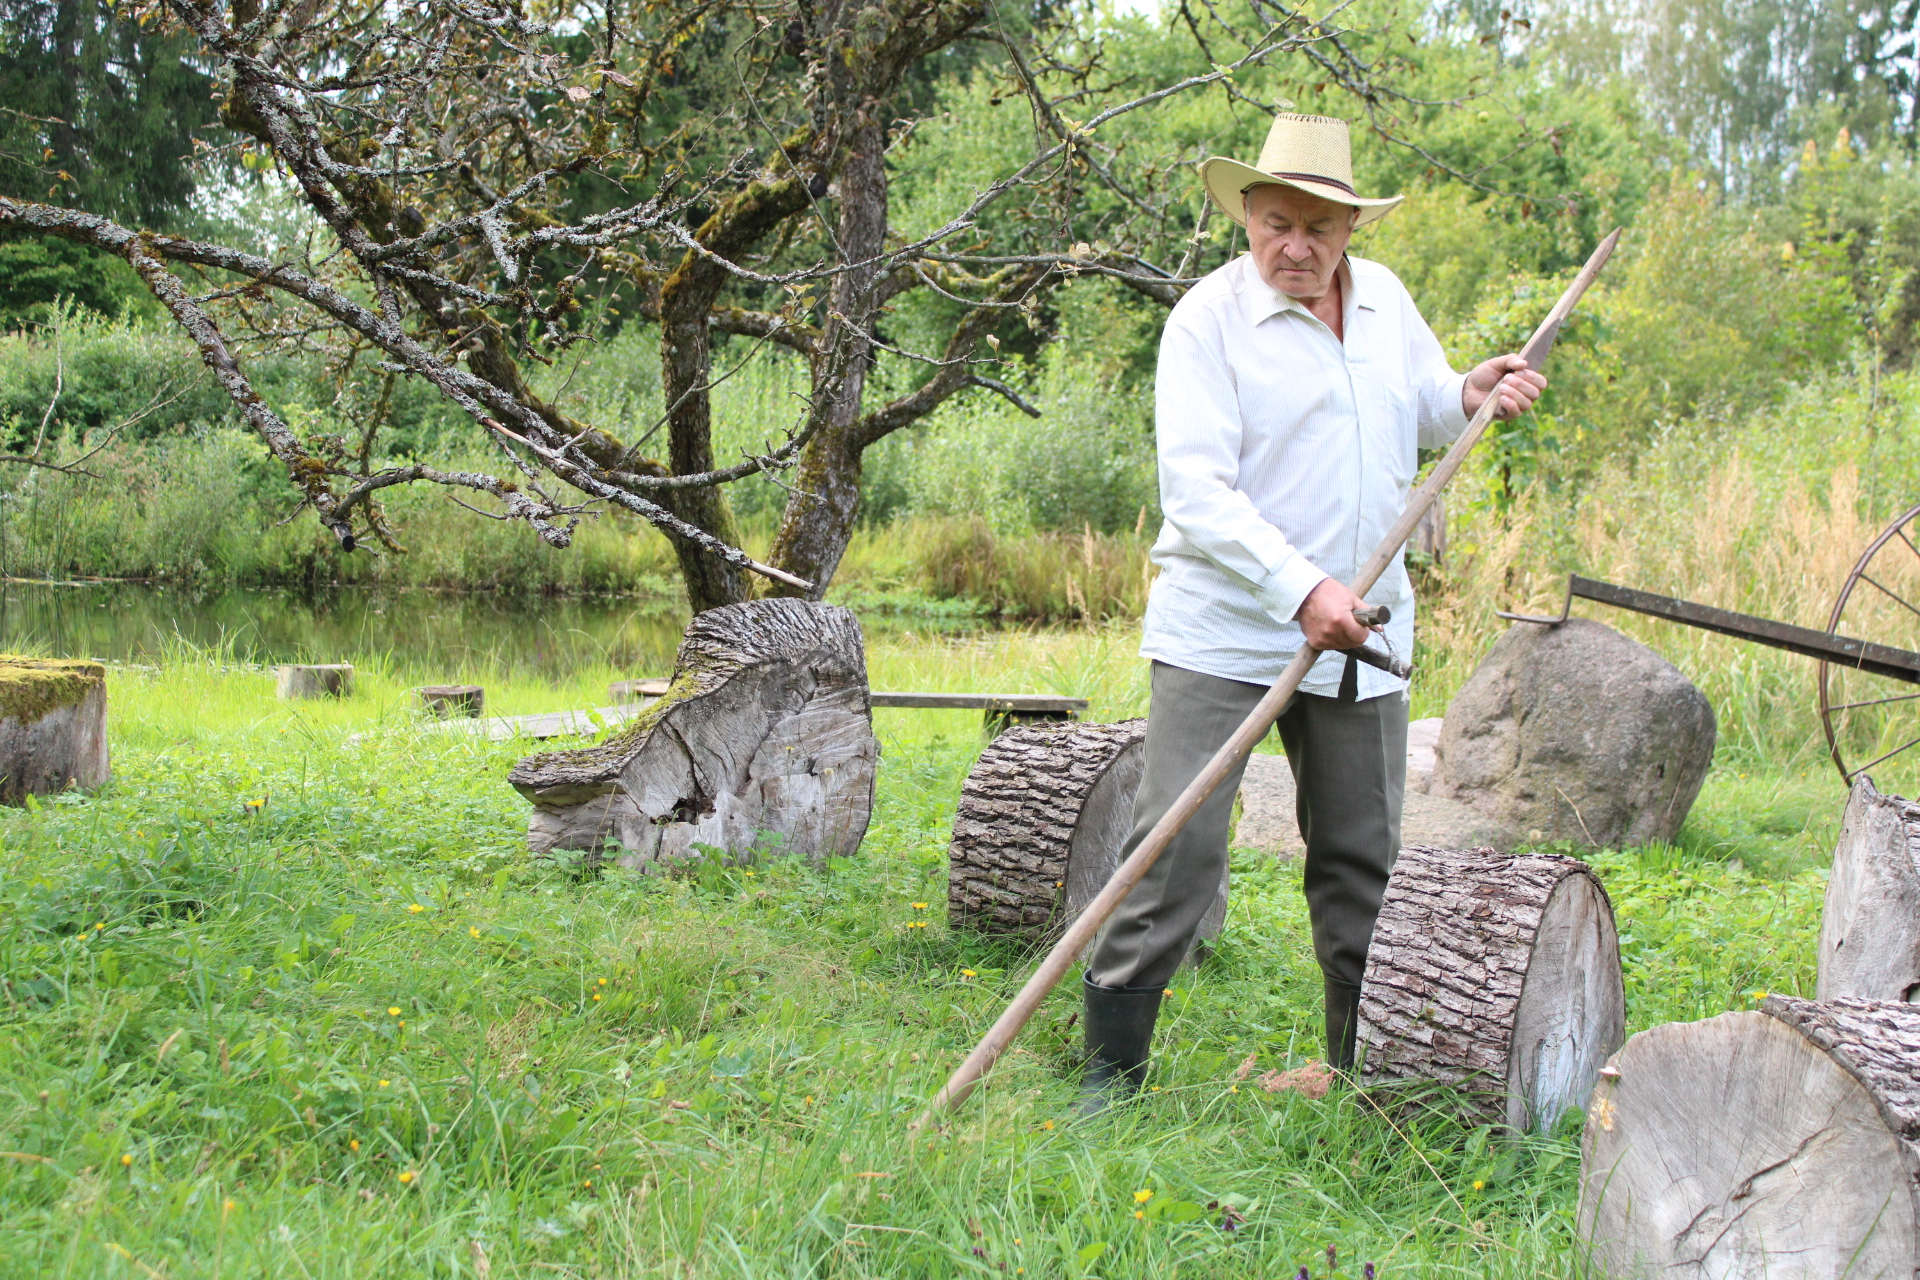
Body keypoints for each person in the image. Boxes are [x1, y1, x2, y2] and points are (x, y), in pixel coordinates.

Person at [1079, 113, 1547, 1111]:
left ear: (1350, 228)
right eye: (1277, 222)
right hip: (1230, 634)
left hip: (1363, 636)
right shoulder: (1204, 324)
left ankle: (1356, 1069)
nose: (1297, 246)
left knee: (1360, 855)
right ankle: (1109, 1079)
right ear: (1247, 213)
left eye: (1320, 227)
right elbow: (1198, 497)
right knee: (1177, 848)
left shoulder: (1382, 302)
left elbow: (1417, 401)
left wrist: (1466, 391)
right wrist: (1303, 590)